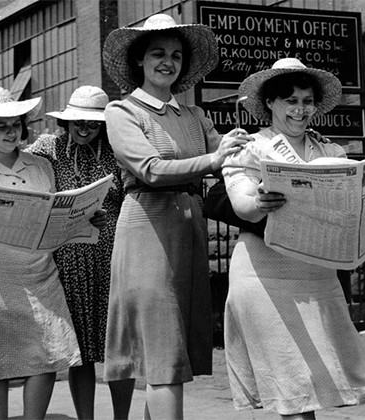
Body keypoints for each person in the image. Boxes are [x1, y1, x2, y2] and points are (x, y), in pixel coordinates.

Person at [222, 57, 365, 419]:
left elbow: (356, 210)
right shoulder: (250, 148)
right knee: (294, 390)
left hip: (316, 277)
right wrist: (259, 201)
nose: (300, 109)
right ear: (270, 103)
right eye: (291, 100)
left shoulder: (332, 152)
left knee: (318, 386)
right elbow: (241, 204)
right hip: (264, 273)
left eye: (307, 101)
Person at [101, 13, 249, 419]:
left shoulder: (195, 116)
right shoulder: (123, 111)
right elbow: (148, 169)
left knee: (171, 352)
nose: (168, 62)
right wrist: (214, 159)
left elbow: (233, 162)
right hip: (147, 227)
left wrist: (261, 145)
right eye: (158, 53)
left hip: (190, 229)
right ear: (139, 62)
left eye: (176, 55)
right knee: (162, 352)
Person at [0, 86, 106, 419]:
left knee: (47, 358)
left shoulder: (40, 165)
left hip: (39, 276)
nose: (10, 131)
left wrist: (86, 218)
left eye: (15, 123)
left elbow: (55, 214)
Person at [26, 86, 131, 419]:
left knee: (119, 348)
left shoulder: (117, 151)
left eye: (93, 124)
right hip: (68, 261)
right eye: (78, 123)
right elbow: (10, 159)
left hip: (112, 257)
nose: (85, 130)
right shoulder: (47, 148)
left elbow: (134, 199)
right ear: (65, 122)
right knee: (80, 351)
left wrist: (109, 215)